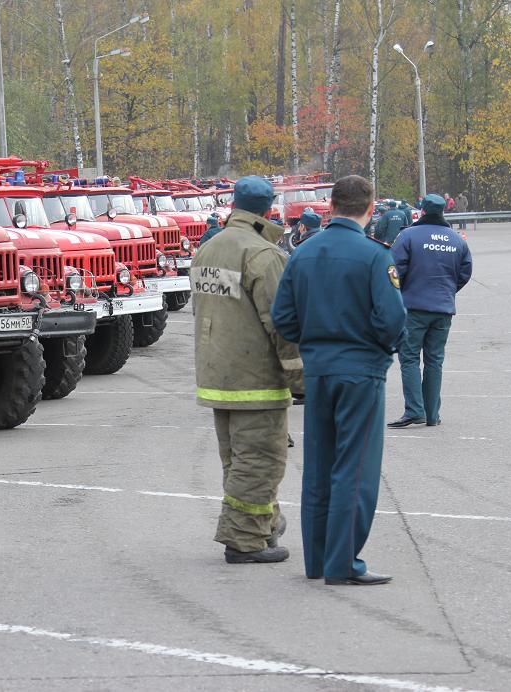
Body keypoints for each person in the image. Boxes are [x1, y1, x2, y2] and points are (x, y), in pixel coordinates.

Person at [272, 175, 406, 586]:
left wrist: (315, 343)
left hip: (319, 370)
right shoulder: (372, 255)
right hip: (360, 371)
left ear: (330, 205)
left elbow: (284, 319)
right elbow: (393, 318)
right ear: (371, 207)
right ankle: (343, 563)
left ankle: (318, 560)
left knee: (319, 465)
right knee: (356, 468)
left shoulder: (303, 252)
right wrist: (380, 350)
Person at [191, 175, 304, 564]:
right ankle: (244, 541)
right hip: (255, 381)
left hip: (218, 376)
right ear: (269, 209)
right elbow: (282, 323)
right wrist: (301, 377)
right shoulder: (263, 254)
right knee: (260, 461)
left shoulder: (210, 248)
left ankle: (264, 525)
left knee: (239, 462)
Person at [387, 194, 473, 428]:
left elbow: (394, 270)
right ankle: (432, 413)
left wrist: (399, 294)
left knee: (410, 358)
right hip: (443, 308)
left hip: (414, 307)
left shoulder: (408, 236)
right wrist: (447, 291)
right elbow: (464, 273)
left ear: (422, 211)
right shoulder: (457, 240)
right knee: (435, 361)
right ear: (443, 212)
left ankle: (415, 410)